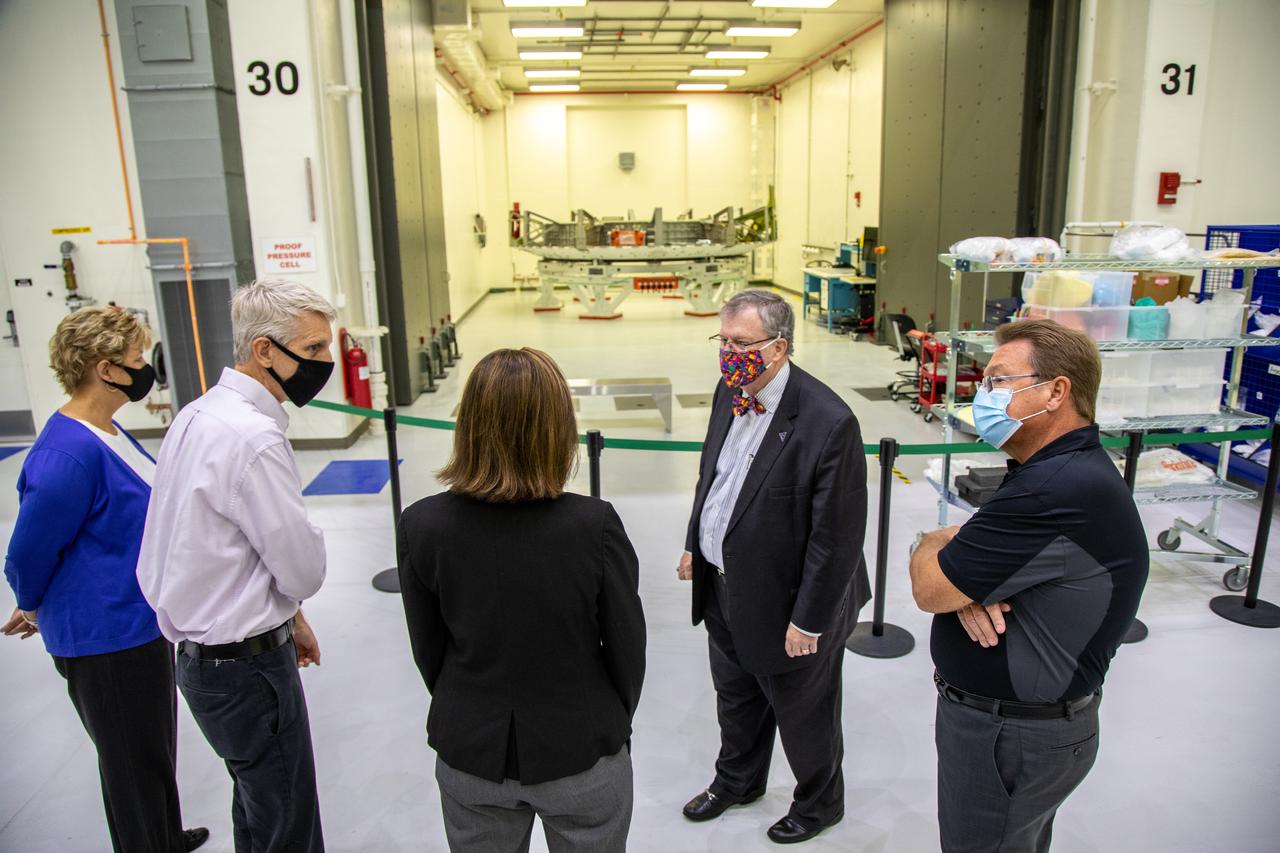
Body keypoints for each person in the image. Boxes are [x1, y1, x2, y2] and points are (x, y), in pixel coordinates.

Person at [909, 319, 1149, 853]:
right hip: (1022, 728)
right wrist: (967, 587)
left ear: (1056, 390)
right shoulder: (1050, 468)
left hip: (1011, 738)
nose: (982, 395)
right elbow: (966, 576)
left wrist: (932, 545)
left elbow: (931, 588)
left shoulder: (1053, 487)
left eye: (998, 381)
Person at [398, 347, 646, 853]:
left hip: (470, 752)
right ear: (558, 428)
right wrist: (609, 723)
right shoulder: (594, 526)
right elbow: (626, 648)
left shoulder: (421, 524)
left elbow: (428, 648)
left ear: (468, 424)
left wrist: (466, 707)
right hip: (580, 748)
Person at [136, 279, 336, 853]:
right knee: (288, 825)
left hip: (204, 662)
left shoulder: (198, 415)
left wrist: (286, 615)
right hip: (248, 671)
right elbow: (302, 570)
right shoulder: (254, 439)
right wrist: (292, 592)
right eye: (314, 348)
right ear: (264, 350)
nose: (323, 362)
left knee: (258, 805)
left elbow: (189, 544)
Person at [2, 306, 208, 853]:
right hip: (104, 638)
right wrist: (32, 602)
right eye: (137, 359)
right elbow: (26, 551)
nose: (146, 369)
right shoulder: (64, 454)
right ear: (105, 368)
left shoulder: (106, 431)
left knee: (153, 749)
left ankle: (163, 835)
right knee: (129, 764)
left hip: (138, 624)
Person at [676, 290, 871, 844]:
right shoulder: (730, 390)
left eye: (741, 343)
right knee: (735, 697)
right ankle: (737, 780)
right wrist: (698, 540)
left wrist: (808, 621)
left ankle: (818, 804)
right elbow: (714, 476)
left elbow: (836, 539)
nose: (728, 354)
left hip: (793, 602)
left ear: (779, 347)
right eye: (723, 341)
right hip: (725, 585)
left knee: (803, 715)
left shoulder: (828, 421)